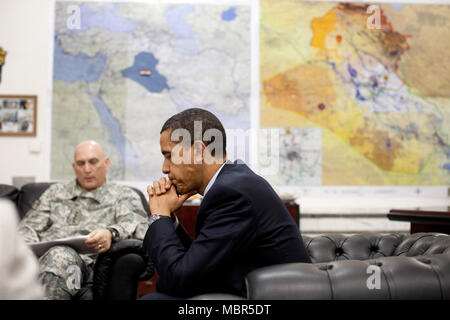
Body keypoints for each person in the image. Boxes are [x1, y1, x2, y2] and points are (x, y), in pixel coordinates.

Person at [142, 108, 311, 299]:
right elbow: (193, 268)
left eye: (169, 156)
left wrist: (159, 216)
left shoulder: (232, 194)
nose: (164, 169)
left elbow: (180, 278)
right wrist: (169, 218)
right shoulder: (233, 183)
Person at [18, 140, 149, 299]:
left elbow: (140, 228)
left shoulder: (123, 195)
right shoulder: (55, 193)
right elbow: (28, 227)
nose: (87, 169)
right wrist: (26, 249)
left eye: (93, 162)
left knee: (59, 256)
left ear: (106, 163)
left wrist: (111, 233)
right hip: (40, 259)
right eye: (81, 164)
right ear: (74, 167)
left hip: (85, 264)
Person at [0, 199, 44, 299]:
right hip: (47, 250)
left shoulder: (4, 213)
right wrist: (27, 247)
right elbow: (30, 226)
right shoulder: (55, 192)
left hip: (84, 255)